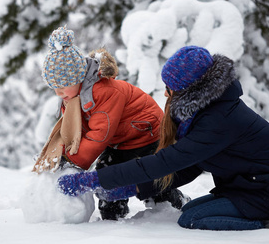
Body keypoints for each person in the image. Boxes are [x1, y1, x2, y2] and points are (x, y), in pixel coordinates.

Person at [57, 46, 269, 230]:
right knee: (190, 210)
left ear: (189, 90)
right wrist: (134, 188)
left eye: (170, 89)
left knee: (191, 219)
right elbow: (187, 169)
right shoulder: (207, 111)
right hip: (251, 186)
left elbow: (164, 162)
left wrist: (93, 179)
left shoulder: (218, 121)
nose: (166, 95)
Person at [34, 26, 188, 220]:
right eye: (54, 87)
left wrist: (74, 161)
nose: (58, 93)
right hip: (120, 141)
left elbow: (100, 134)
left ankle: (173, 204)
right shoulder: (72, 97)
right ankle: (112, 218)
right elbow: (76, 130)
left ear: (78, 78)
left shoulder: (104, 92)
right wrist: (62, 153)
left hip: (146, 135)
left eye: (62, 86)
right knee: (107, 176)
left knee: (153, 181)